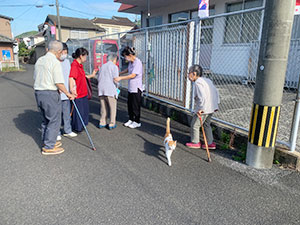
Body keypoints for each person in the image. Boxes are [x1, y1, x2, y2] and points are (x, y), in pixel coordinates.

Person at [34, 40, 75, 155]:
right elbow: (59, 83)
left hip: (39, 92)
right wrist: (68, 93)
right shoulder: (55, 62)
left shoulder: (40, 60)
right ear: (59, 51)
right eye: (61, 52)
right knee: (54, 120)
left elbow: (35, 77)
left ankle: (47, 141)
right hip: (50, 93)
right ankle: (49, 147)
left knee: (45, 120)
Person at [185, 65, 219, 150]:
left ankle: (195, 142)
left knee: (195, 125)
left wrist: (201, 109)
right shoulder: (207, 80)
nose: (188, 75)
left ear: (194, 74)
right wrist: (216, 104)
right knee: (206, 124)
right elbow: (216, 92)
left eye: (189, 73)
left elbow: (202, 97)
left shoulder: (198, 83)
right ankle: (210, 143)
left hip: (204, 108)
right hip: (211, 107)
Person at [69, 47, 98, 132]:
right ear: (81, 56)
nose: (86, 58)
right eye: (85, 56)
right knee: (79, 113)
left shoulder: (80, 66)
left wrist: (92, 75)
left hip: (83, 93)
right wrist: (72, 91)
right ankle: (78, 128)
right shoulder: (74, 65)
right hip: (78, 94)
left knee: (85, 112)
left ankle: (82, 125)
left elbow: (83, 77)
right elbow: (71, 78)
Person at [114, 46, 143, 129]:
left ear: (130, 55)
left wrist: (120, 78)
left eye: (125, 56)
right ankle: (131, 119)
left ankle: (137, 121)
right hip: (131, 87)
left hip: (136, 88)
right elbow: (127, 70)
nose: (125, 58)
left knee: (135, 105)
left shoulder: (138, 62)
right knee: (130, 104)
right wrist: (120, 73)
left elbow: (133, 75)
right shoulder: (131, 63)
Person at [56, 43, 77, 141]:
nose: (64, 54)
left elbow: (70, 76)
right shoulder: (54, 62)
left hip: (67, 92)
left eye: (66, 52)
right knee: (56, 114)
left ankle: (67, 130)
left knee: (66, 113)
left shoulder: (67, 61)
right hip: (57, 92)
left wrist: (73, 88)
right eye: (63, 52)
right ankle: (57, 132)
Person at [97, 53, 119, 130]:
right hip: (110, 89)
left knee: (103, 108)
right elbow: (116, 79)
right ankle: (111, 123)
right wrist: (118, 86)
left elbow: (98, 77)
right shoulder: (114, 67)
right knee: (112, 107)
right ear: (114, 59)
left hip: (101, 89)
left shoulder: (102, 66)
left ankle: (102, 122)